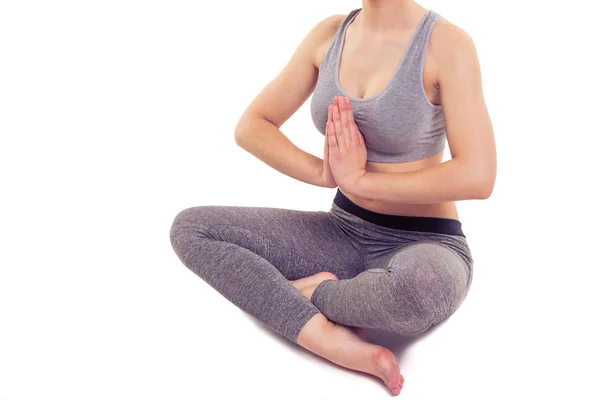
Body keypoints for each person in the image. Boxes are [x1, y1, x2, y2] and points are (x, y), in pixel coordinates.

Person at [169, 0, 496, 396]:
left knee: (419, 290)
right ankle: (326, 339)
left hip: (427, 242)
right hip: (340, 230)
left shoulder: (447, 44)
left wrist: (360, 181)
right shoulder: (328, 35)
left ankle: (313, 292)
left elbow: (478, 175)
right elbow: (252, 126)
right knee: (193, 229)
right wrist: (324, 175)